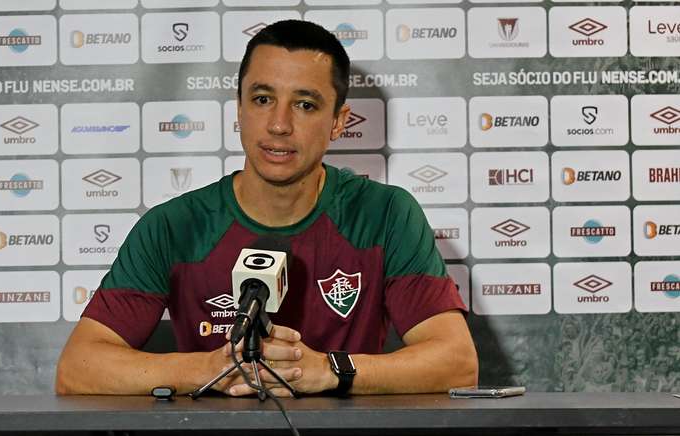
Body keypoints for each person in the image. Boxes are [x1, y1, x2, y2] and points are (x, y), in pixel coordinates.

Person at [55, 19, 478, 397]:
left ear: (338, 121)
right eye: (261, 99)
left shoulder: (385, 215)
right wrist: (212, 368)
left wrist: (329, 370)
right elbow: (77, 369)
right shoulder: (173, 226)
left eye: (305, 104)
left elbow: (457, 362)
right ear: (239, 107)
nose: (279, 124)